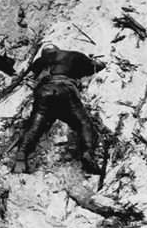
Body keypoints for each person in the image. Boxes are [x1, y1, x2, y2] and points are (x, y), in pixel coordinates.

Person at [9, 47, 105, 175]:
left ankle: (21, 154)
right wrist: (98, 63)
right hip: (65, 90)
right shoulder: (74, 54)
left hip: (45, 91)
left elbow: (33, 72)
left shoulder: (43, 59)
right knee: (84, 122)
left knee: (35, 124)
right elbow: (95, 66)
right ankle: (88, 152)